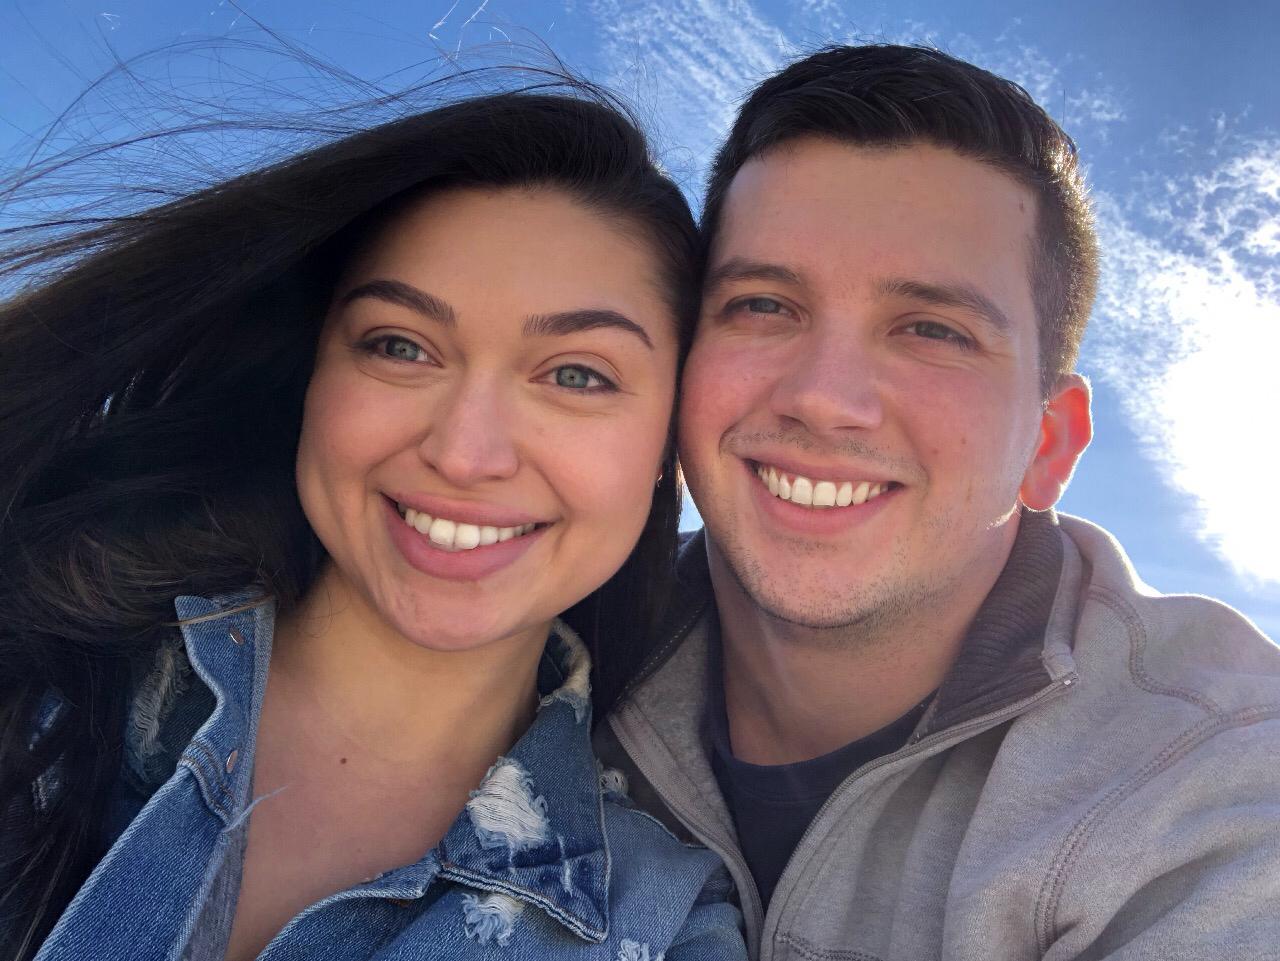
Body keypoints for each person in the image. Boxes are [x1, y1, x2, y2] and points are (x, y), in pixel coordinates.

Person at [0, 86, 746, 961]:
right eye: (400, 345)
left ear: (668, 445)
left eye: (577, 374)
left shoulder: (666, 924)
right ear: (313, 377)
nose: (465, 454)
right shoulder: (32, 668)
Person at [595, 44, 1280, 959]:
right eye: (763, 305)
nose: (824, 397)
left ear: (1050, 443)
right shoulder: (540, 649)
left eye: (932, 329)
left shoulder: (1217, 790)